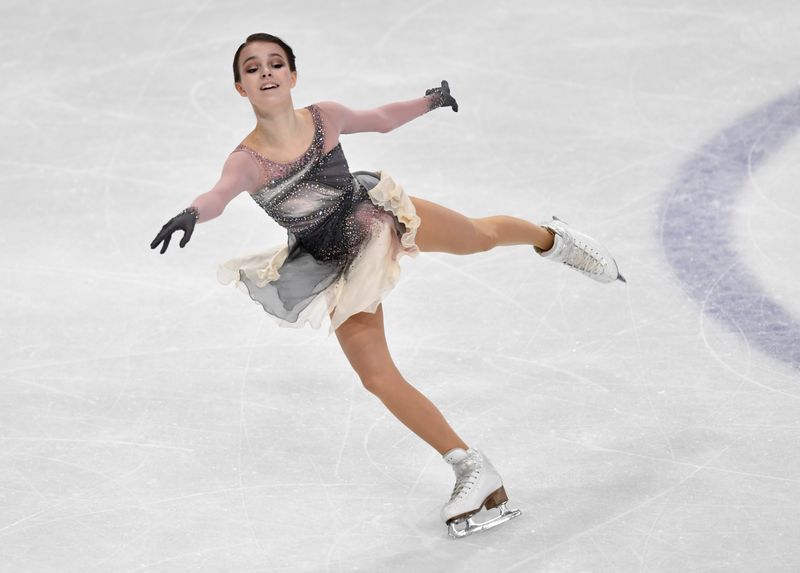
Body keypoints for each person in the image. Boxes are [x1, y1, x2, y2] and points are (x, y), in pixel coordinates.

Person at [150, 33, 625, 539]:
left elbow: (379, 119)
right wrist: (191, 213)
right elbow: (219, 195)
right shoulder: (246, 161)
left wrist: (430, 100)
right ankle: (470, 467)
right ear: (240, 87)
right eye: (252, 68)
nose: (265, 72)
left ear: (292, 75)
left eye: (275, 63)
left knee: (479, 237)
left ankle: (555, 240)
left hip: (378, 216)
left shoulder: (324, 117)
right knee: (376, 377)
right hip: (335, 261)